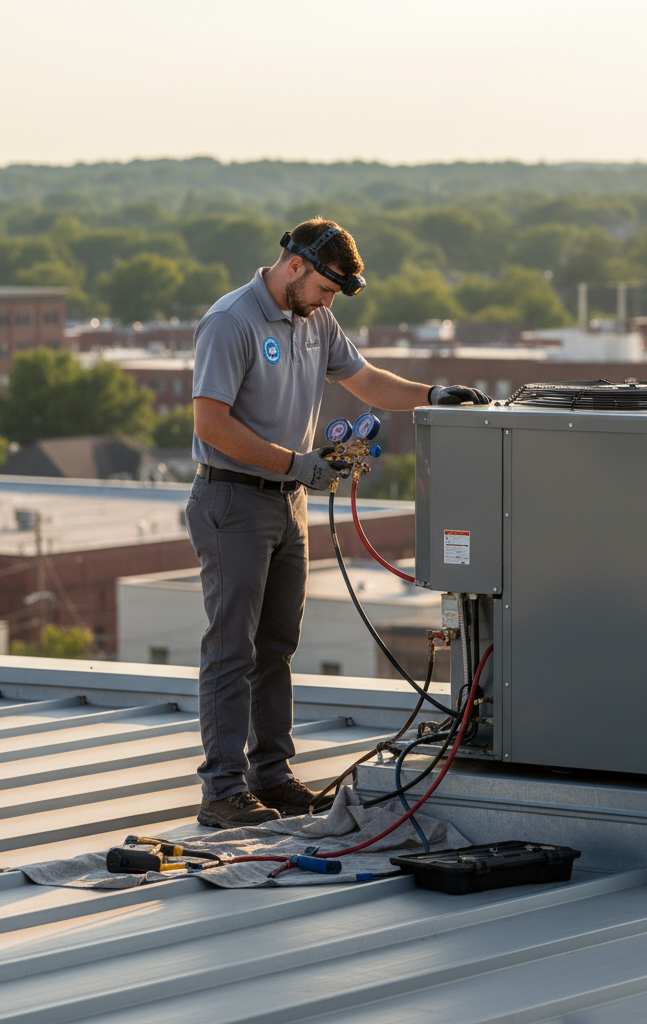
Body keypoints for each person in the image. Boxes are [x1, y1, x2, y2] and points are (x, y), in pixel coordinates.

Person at [187, 218, 490, 828]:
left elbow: (369, 382)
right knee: (231, 648)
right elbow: (210, 425)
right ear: (294, 265)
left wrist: (434, 396)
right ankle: (222, 790)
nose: (330, 303)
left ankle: (270, 776)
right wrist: (299, 464)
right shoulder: (231, 322)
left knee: (275, 647)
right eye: (326, 289)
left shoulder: (316, 320)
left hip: (286, 502)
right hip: (233, 502)